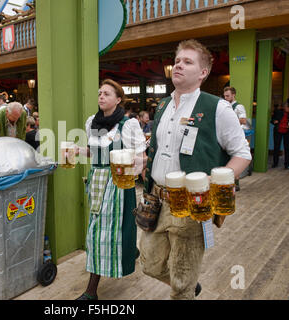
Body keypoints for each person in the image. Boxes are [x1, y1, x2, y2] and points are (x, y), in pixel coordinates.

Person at [140, 39, 251, 300]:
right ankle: (188, 286)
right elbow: (159, 149)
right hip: (155, 200)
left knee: (181, 281)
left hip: (192, 205)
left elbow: (242, 154)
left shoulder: (218, 108)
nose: (178, 65)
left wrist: (217, 181)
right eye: (177, 60)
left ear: (203, 73)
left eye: (187, 62)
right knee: (149, 265)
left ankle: (185, 288)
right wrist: (144, 162)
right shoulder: (163, 106)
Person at [75, 79, 146, 300]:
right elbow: (93, 152)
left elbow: (141, 156)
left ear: (118, 99)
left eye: (107, 93)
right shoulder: (91, 122)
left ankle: (91, 291)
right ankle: (130, 250)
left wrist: (137, 173)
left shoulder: (128, 125)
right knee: (103, 230)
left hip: (118, 183)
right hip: (97, 181)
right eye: (100, 93)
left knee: (102, 233)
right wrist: (78, 151)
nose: (101, 96)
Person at [223, 86, 250, 190]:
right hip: (227, 134)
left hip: (236, 135)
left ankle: (236, 183)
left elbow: (243, 120)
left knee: (235, 157)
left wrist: (230, 123)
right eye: (224, 96)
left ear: (233, 95)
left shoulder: (239, 107)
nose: (225, 98)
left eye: (227, 96)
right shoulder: (225, 106)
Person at [271, 99, 289, 169]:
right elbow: (272, 120)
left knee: (287, 148)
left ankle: (286, 164)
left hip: (287, 132)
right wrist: (274, 121)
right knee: (276, 147)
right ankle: (275, 163)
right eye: (288, 107)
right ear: (285, 107)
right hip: (278, 131)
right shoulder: (278, 112)